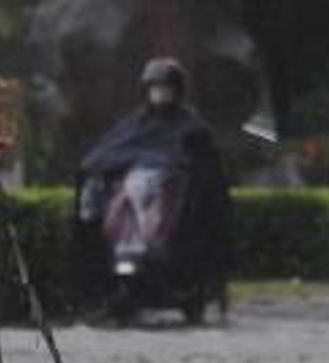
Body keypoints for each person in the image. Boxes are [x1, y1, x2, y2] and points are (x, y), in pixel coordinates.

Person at [74, 58, 232, 321]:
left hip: (173, 210)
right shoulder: (136, 123)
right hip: (125, 207)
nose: (161, 94)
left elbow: (201, 167)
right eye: (155, 88)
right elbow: (106, 153)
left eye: (166, 88)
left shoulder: (191, 126)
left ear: (177, 90)